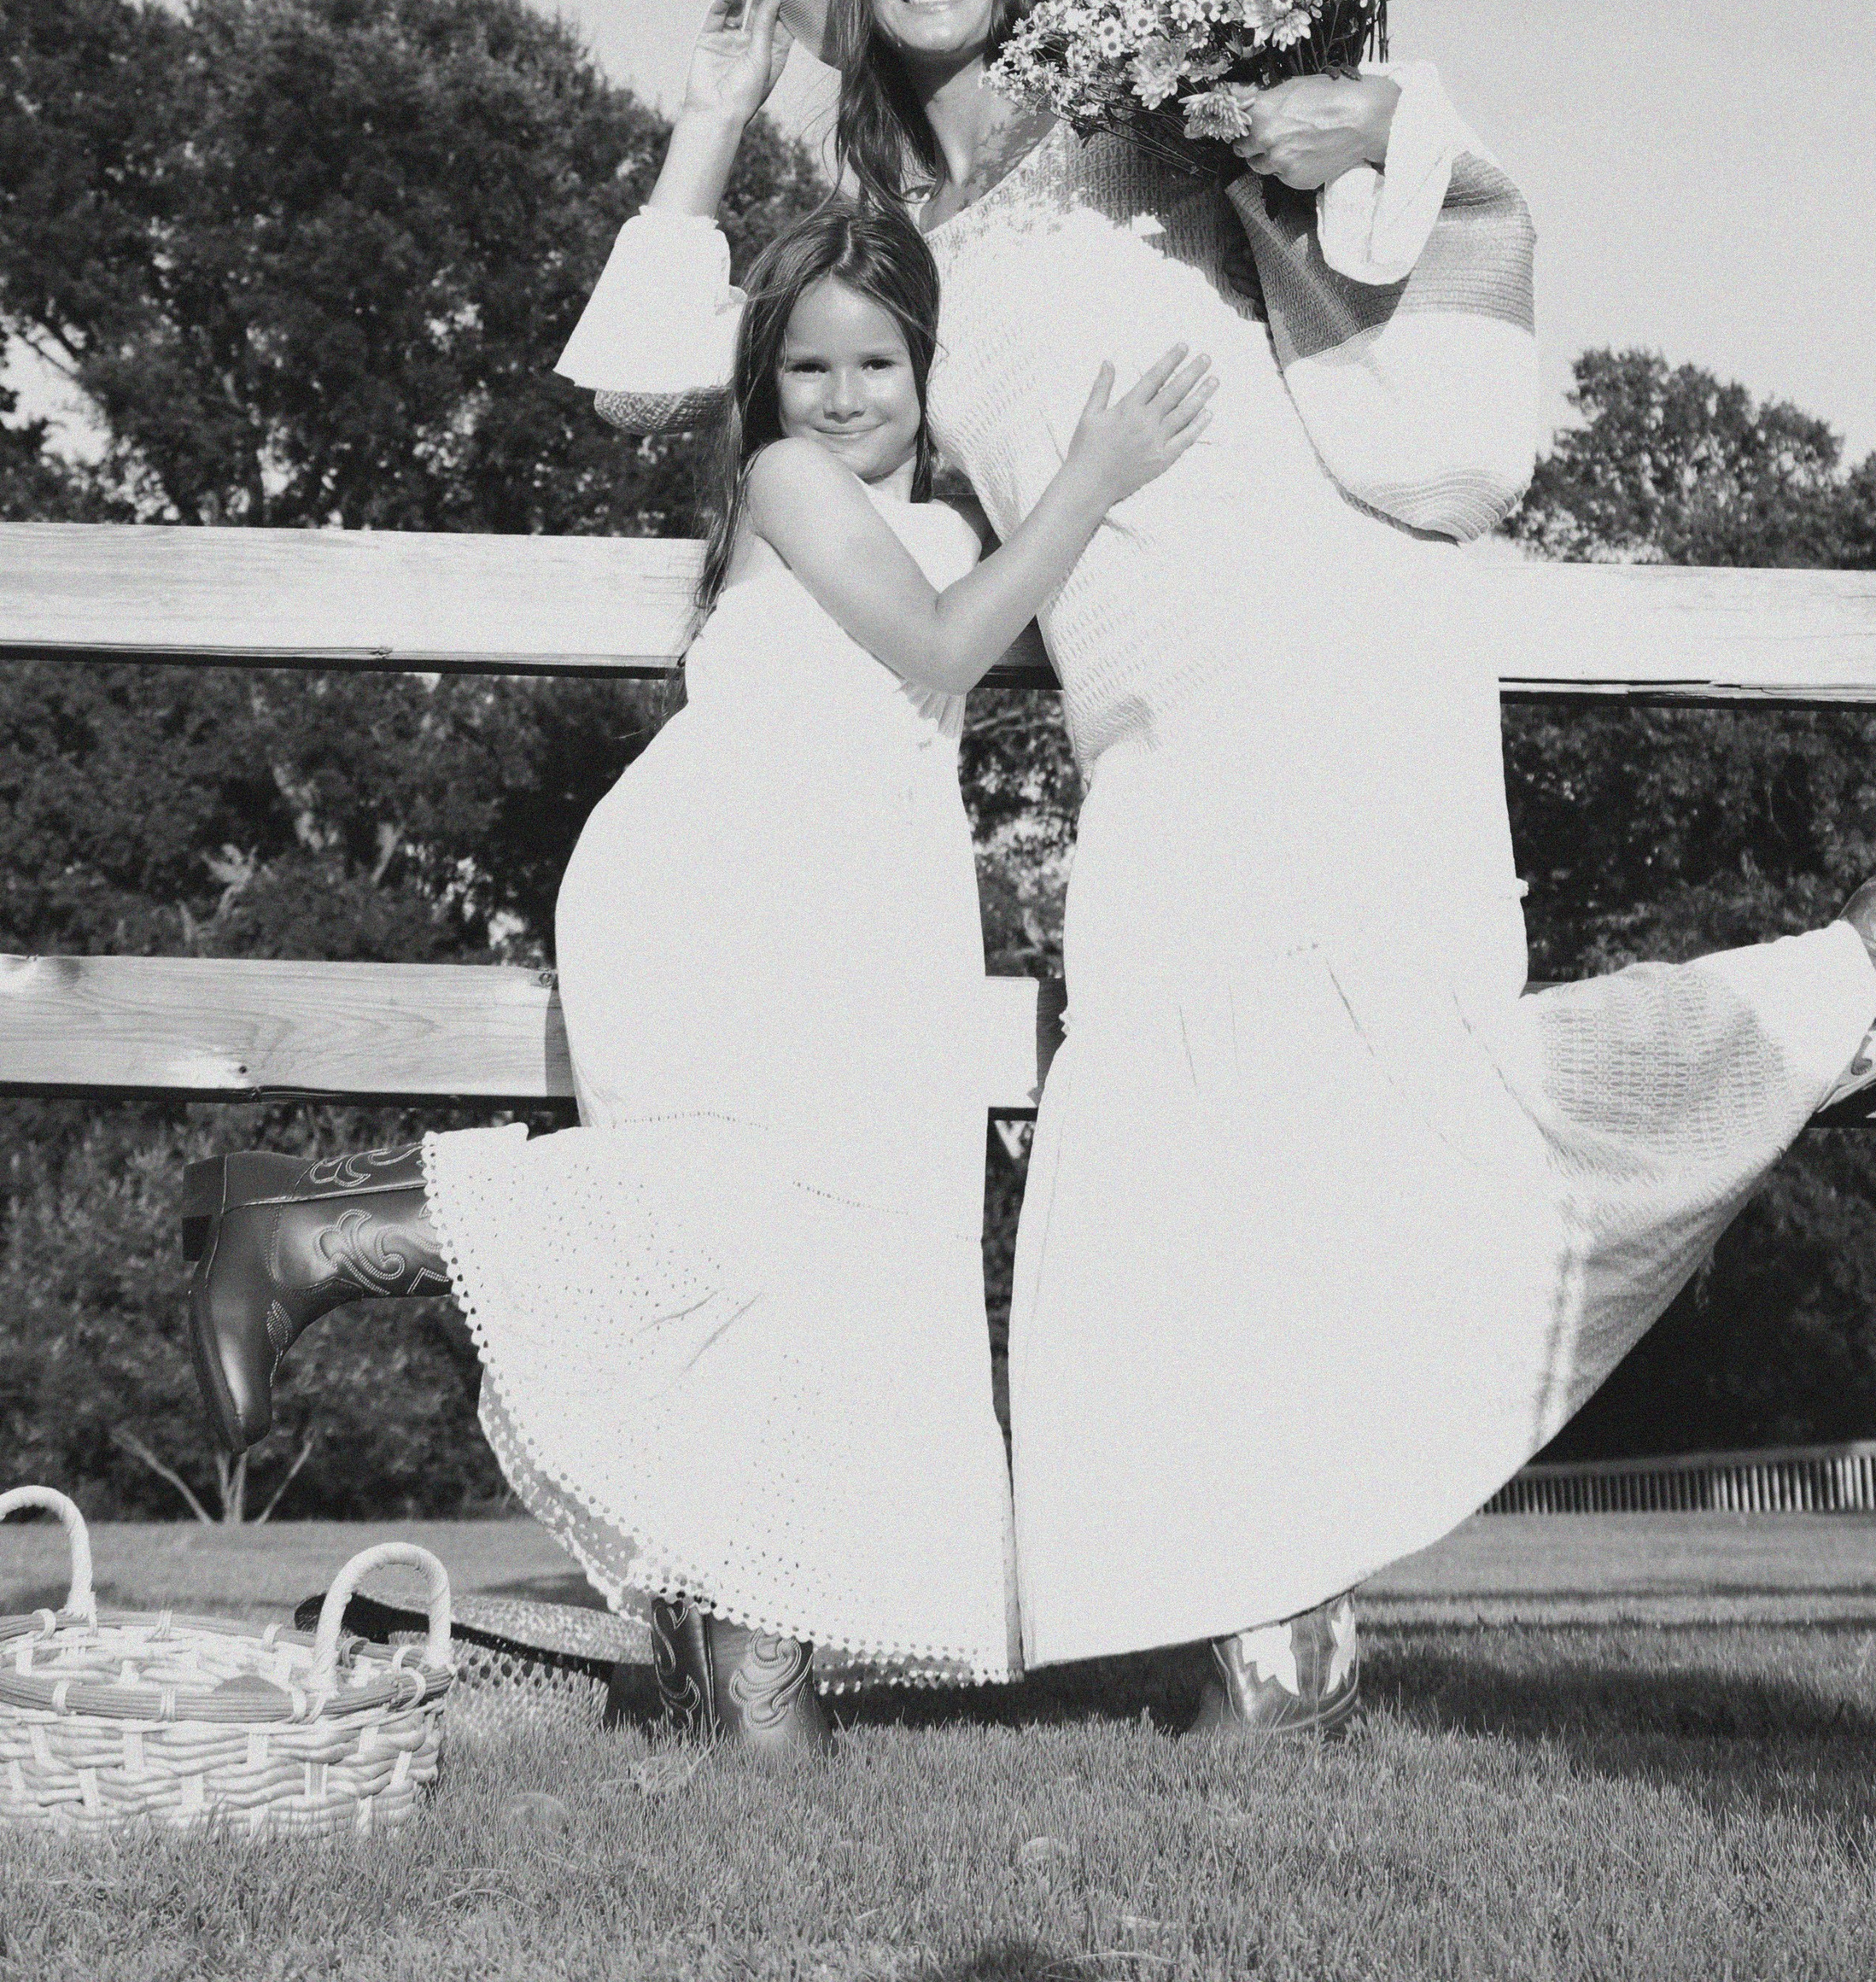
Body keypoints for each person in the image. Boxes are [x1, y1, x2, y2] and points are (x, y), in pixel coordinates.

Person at [567, 0, 1876, 1741]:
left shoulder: (1139, 117)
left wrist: (1356, 120)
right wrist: (704, 126)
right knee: (1168, 1150)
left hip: (1319, 623)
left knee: (1383, 1116)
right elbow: (652, 383)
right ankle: (1867, 987)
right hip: (1137, 703)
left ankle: (1280, 1640)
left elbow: (1416, 205)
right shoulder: (890, 253)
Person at [182, 190, 1213, 1757]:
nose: (845, 396)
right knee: (716, 1217)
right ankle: (311, 1231)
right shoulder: (785, 478)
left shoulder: (948, 509)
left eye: (879, 363)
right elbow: (941, 646)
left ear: (929, 369)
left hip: (870, 903)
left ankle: (752, 1683)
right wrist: (1093, 475)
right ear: (767, 383)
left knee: (825, 1275)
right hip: (735, 866)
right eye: (809, 366)